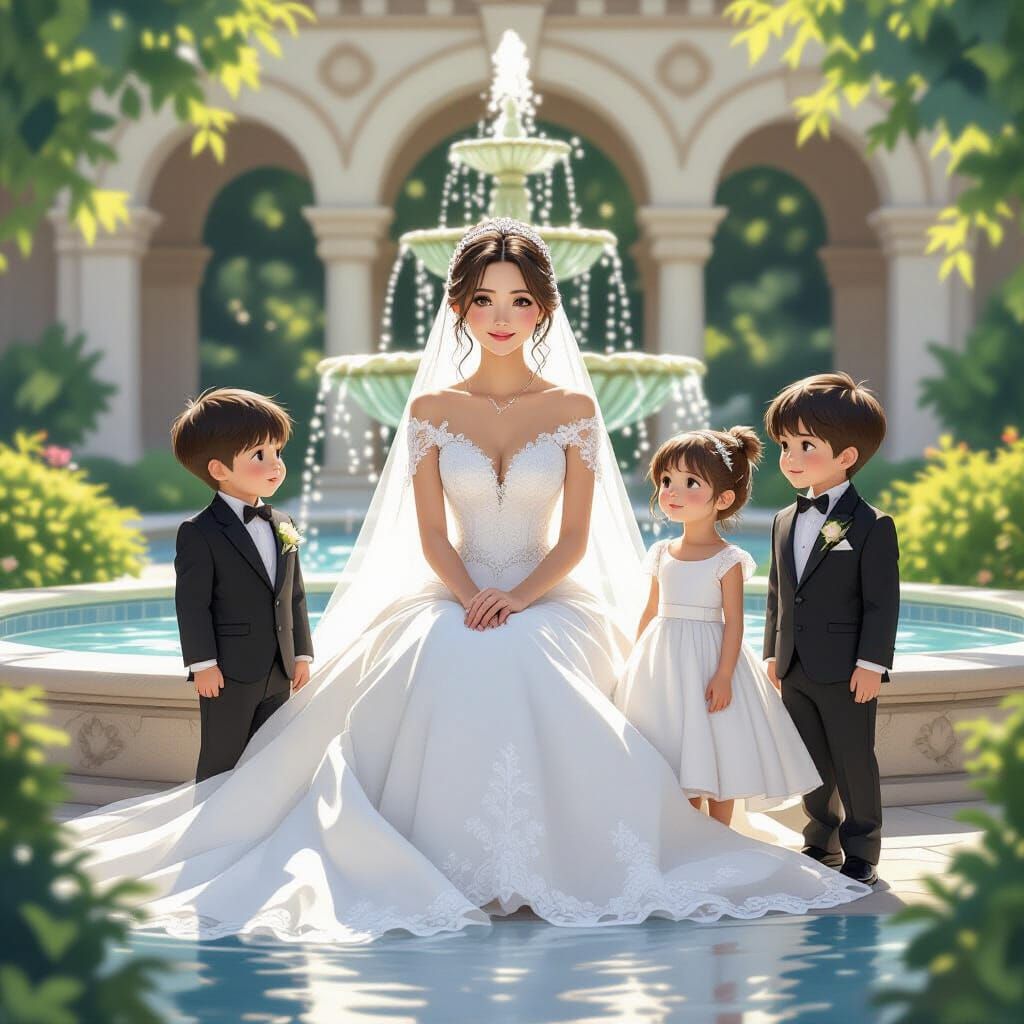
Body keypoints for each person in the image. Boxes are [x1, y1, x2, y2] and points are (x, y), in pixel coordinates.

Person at [65, 220, 871, 944]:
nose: (500, 315)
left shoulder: (572, 410)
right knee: (440, 656)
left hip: (546, 591)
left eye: (519, 300)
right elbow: (430, 534)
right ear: (459, 308)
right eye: (483, 299)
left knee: (530, 662)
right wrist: (468, 595)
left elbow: (576, 537)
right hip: (452, 589)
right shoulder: (430, 411)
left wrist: (517, 597)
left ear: (542, 311)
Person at [616, 428, 820, 827]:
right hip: (664, 659)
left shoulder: (728, 559)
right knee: (675, 745)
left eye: (690, 482)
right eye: (666, 481)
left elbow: (734, 624)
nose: (672, 492)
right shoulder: (660, 552)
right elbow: (651, 609)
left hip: (709, 657)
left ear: (723, 499)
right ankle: (687, 830)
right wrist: (634, 661)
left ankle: (720, 832)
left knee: (716, 742)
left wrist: (724, 674)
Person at [763, 372, 900, 886]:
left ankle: (863, 848)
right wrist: (773, 653)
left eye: (805, 445)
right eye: (784, 444)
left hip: (846, 670)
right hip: (796, 663)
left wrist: (872, 664)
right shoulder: (782, 520)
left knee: (853, 761)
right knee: (810, 758)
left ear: (846, 457)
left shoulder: (871, 525)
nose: (791, 457)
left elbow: (882, 603)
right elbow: (778, 594)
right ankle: (819, 838)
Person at [170, 388, 313, 781]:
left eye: (278, 453)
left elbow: (294, 596)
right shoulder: (199, 532)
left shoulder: (282, 523)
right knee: (223, 754)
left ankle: (262, 827)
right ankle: (211, 827)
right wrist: (203, 664)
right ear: (219, 470)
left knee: (272, 755)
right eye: (259, 456)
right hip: (230, 671)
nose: (275, 465)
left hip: (279, 666)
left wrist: (301, 653)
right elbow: (192, 605)